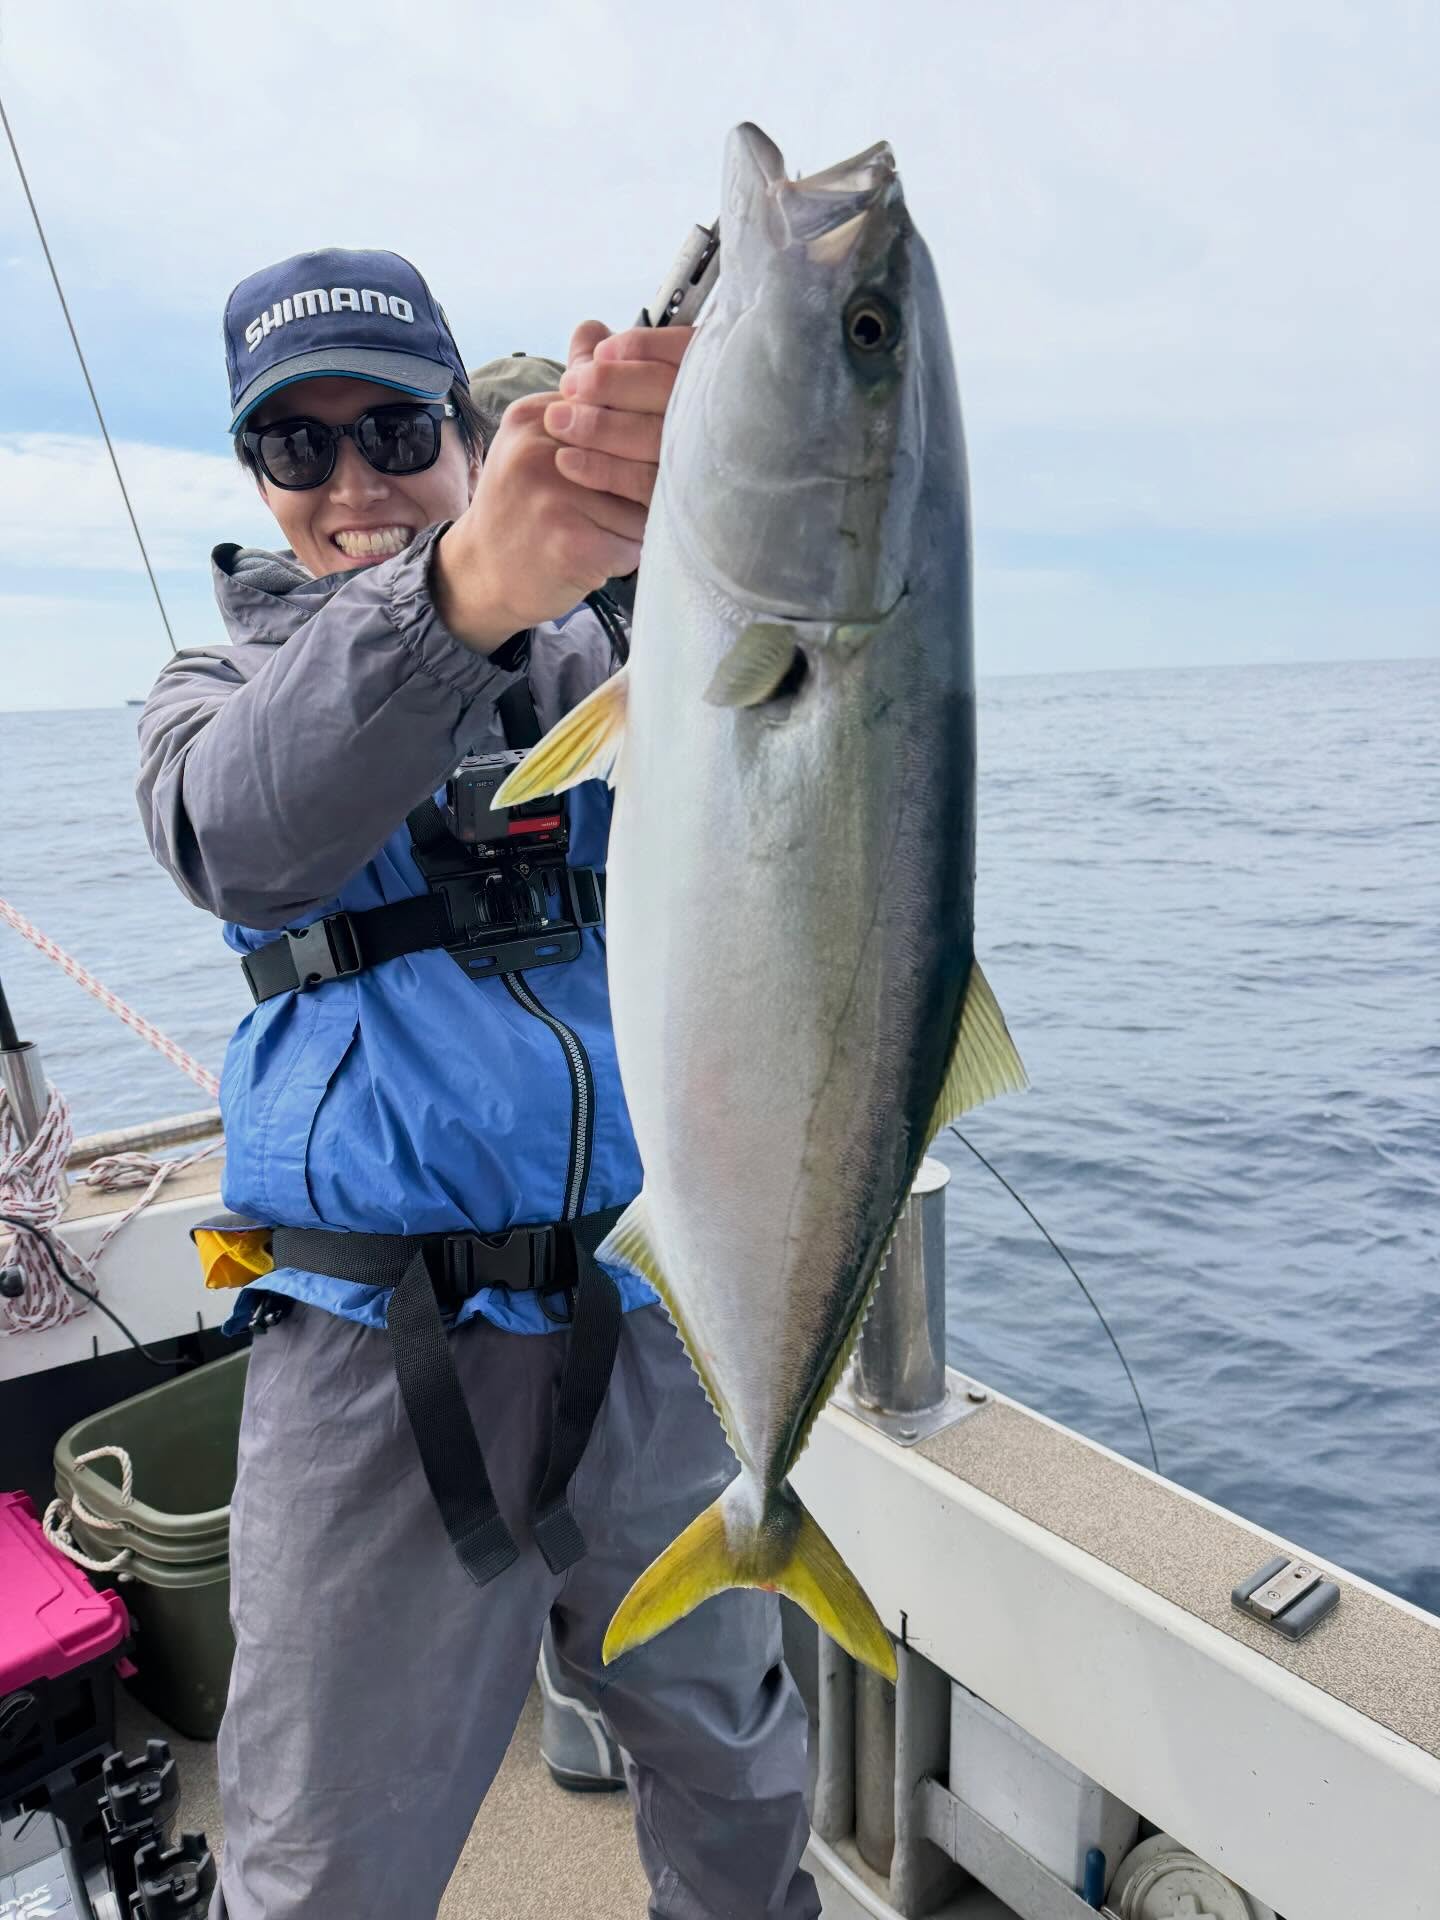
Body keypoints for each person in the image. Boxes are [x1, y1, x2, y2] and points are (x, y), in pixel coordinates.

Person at [136, 246, 818, 1920]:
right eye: (299, 451)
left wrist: (692, 490)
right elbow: (246, 836)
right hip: (382, 1367)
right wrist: (458, 597)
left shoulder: (618, 655)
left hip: (652, 1322)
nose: (354, 483)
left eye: (390, 428)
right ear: (257, 481)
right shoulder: (207, 703)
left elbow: (790, 720)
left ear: (460, 426)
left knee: (736, 1767)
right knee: (323, 1859)